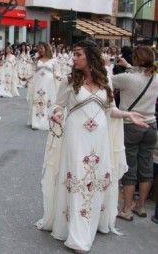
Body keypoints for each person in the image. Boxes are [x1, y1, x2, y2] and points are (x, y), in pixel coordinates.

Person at [36, 39, 148, 252]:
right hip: (75, 136)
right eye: (74, 54)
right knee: (77, 178)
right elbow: (57, 106)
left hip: (99, 138)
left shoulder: (105, 80)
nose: (74, 58)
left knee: (95, 180)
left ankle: (91, 222)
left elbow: (111, 110)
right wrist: (57, 114)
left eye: (78, 54)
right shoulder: (70, 81)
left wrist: (128, 115)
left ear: (90, 56)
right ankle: (78, 235)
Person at [111, 46, 158, 221]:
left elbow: (107, 81)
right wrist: (129, 66)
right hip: (151, 125)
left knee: (129, 168)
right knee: (146, 167)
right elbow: (141, 76)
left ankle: (126, 210)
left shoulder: (126, 78)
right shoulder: (155, 77)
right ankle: (141, 207)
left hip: (131, 125)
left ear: (136, 59)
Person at [27, 42, 60, 130]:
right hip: (38, 83)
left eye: (42, 48)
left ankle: (47, 120)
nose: (40, 50)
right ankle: (36, 121)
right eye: (39, 48)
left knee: (48, 100)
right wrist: (26, 78)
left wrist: (58, 77)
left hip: (49, 84)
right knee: (37, 100)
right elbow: (32, 71)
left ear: (46, 48)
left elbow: (57, 72)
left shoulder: (53, 60)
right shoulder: (36, 60)